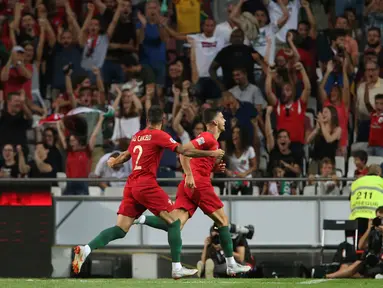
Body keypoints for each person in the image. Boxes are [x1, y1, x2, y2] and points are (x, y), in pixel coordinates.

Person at [71, 105, 225, 279]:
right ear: (163, 121)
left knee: (121, 229)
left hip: (131, 185)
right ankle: (176, 267)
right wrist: (211, 154)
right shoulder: (160, 135)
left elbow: (125, 155)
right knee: (174, 222)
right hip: (146, 184)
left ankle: (85, 249)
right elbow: (184, 151)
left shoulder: (137, 136)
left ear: (147, 120)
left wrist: (114, 162)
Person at [134, 108, 252, 276]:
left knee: (175, 223)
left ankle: (140, 218)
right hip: (198, 183)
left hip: (189, 184)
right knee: (223, 220)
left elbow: (199, 161)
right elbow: (184, 152)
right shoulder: (207, 137)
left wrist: (214, 167)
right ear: (214, 122)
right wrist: (189, 174)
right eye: (221, 117)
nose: (224, 120)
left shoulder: (212, 142)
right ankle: (231, 264)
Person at [349, 165, 383, 238]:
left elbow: (350, 198)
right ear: (379, 173)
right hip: (374, 220)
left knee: (358, 247)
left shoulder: (356, 182)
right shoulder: (381, 181)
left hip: (356, 219)